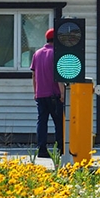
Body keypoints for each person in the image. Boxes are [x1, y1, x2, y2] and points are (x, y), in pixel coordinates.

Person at [30, 28, 64, 158]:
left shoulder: (37, 54)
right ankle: (61, 148)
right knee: (59, 123)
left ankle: (42, 149)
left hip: (40, 94)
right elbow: (59, 76)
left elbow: (33, 75)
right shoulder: (57, 54)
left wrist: (35, 92)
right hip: (54, 94)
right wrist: (62, 94)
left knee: (42, 122)